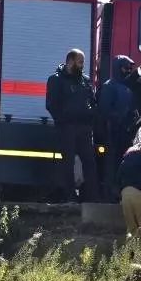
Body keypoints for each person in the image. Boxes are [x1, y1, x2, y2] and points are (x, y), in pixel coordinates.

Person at [46, 49, 100, 203]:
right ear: (70, 61)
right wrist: (62, 122)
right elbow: (51, 104)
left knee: (89, 162)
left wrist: (91, 115)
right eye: (80, 62)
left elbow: (92, 101)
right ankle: (69, 196)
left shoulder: (85, 80)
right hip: (67, 128)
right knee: (67, 163)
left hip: (84, 128)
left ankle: (92, 196)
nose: (82, 65)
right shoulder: (56, 79)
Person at [99, 55, 139, 203]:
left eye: (130, 68)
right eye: (125, 68)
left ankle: (123, 193)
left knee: (126, 164)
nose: (128, 70)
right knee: (112, 165)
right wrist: (120, 119)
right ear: (117, 67)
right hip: (113, 132)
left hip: (128, 132)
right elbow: (104, 109)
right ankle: (109, 196)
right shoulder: (110, 85)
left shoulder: (130, 86)